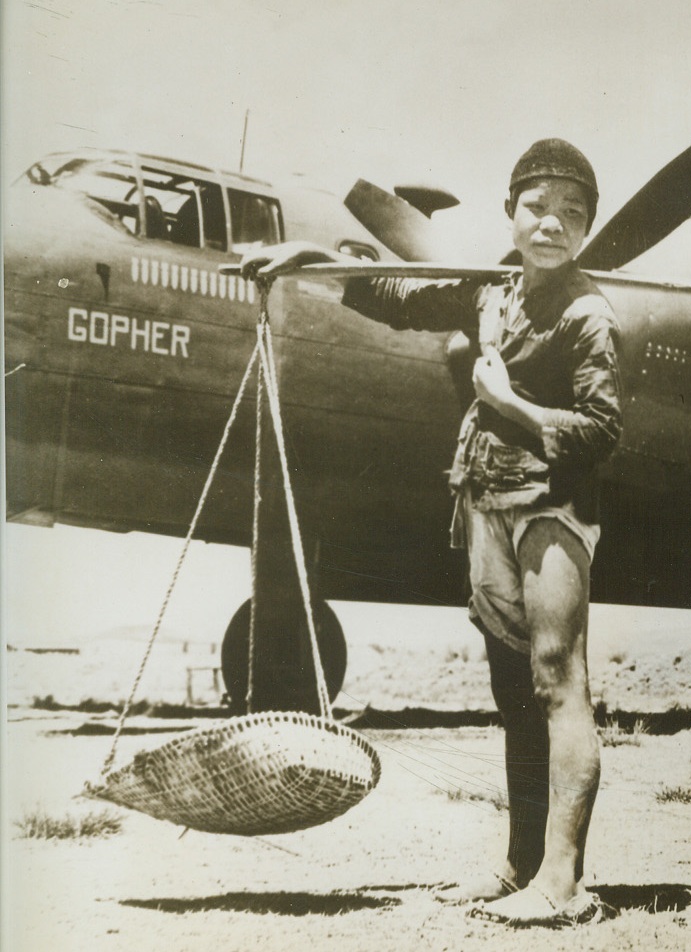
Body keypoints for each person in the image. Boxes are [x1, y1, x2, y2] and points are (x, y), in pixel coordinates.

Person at [240, 138, 622, 927]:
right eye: (538, 208)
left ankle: (563, 883)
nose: (552, 225)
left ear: (586, 230)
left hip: (552, 509)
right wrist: (310, 258)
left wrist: (511, 404)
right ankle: (519, 865)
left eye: (572, 215)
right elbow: (393, 296)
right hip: (483, 498)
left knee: (557, 680)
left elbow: (600, 433)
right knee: (514, 695)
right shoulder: (492, 292)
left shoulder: (589, 315)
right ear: (511, 212)